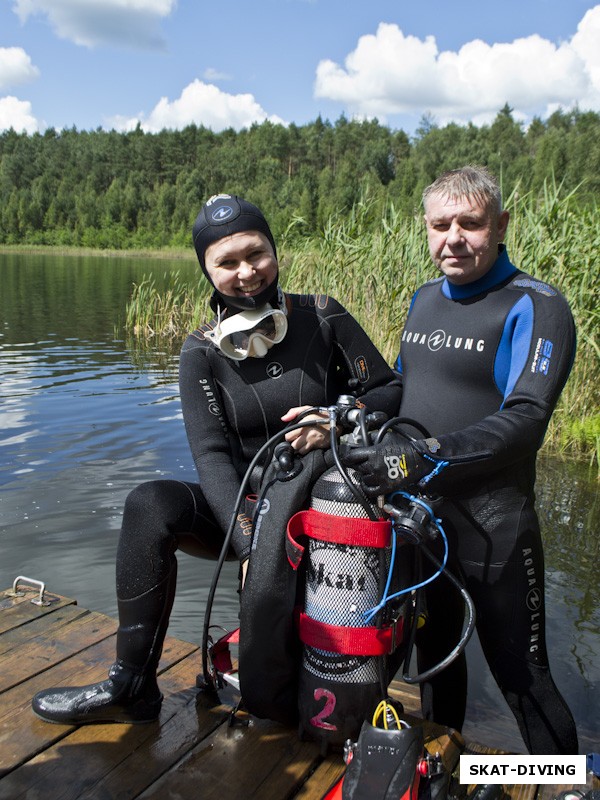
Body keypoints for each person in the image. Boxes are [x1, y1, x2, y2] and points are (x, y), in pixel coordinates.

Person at [31, 194, 401, 725]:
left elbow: (389, 388)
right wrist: (251, 541)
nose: (247, 272)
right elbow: (210, 454)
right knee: (149, 505)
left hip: (329, 509)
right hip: (247, 509)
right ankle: (132, 684)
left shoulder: (324, 316)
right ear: (207, 270)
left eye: (257, 254)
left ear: (275, 250)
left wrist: (336, 420)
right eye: (226, 262)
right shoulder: (200, 350)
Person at [344, 166, 578, 755]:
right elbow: (408, 386)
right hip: (420, 522)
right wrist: (345, 413)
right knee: (436, 658)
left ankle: (563, 786)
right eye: (440, 224)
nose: (454, 237)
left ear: (500, 226)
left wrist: (424, 457)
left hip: (494, 528)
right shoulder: (424, 299)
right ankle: (443, 764)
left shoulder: (535, 305)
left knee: (523, 681)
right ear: (425, 229)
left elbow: (525, 418)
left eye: (470, 224)